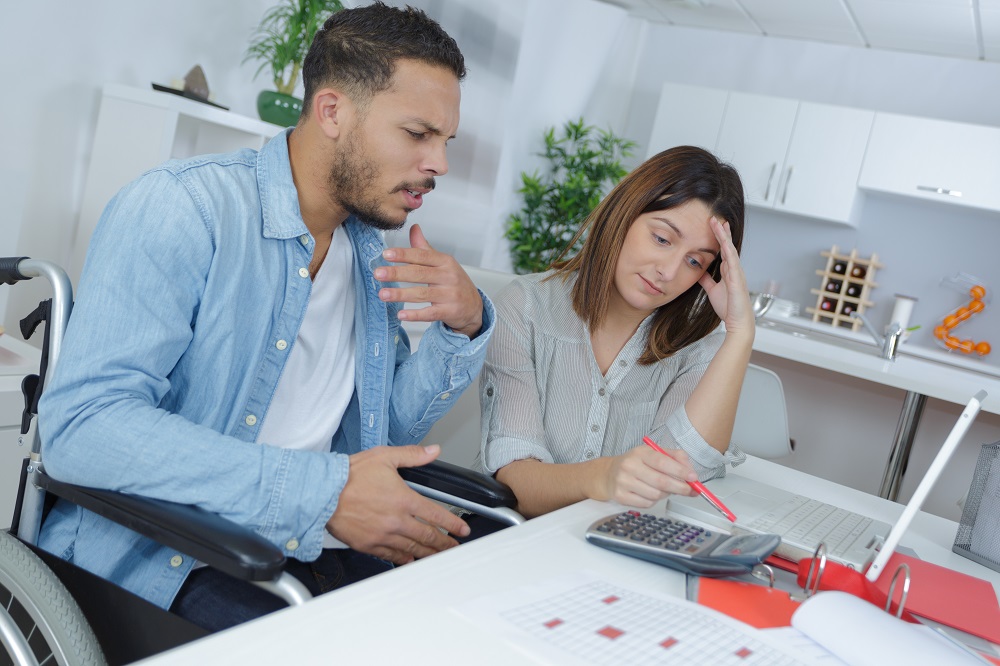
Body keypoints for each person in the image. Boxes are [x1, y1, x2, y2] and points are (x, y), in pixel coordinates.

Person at [38, 3, 494, 631]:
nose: (439, 163)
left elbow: (378, 432)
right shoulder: (183, 208)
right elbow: (82, 429)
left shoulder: (367, 250)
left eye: (446, 141)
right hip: (175, 560)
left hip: (315, 550)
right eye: (418, 134)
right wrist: (319, 491)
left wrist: (462, 327)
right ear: (333, 111)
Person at [479, 145, 749, 518]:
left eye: (694, 261)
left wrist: (739, 334)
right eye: (662, 238)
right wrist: (603, 476)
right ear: (625, 214)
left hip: (620, 553)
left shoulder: (699, 350)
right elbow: (516, 485)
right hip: (520, 544)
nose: (669, 272)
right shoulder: (523, 309)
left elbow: (683, 476)